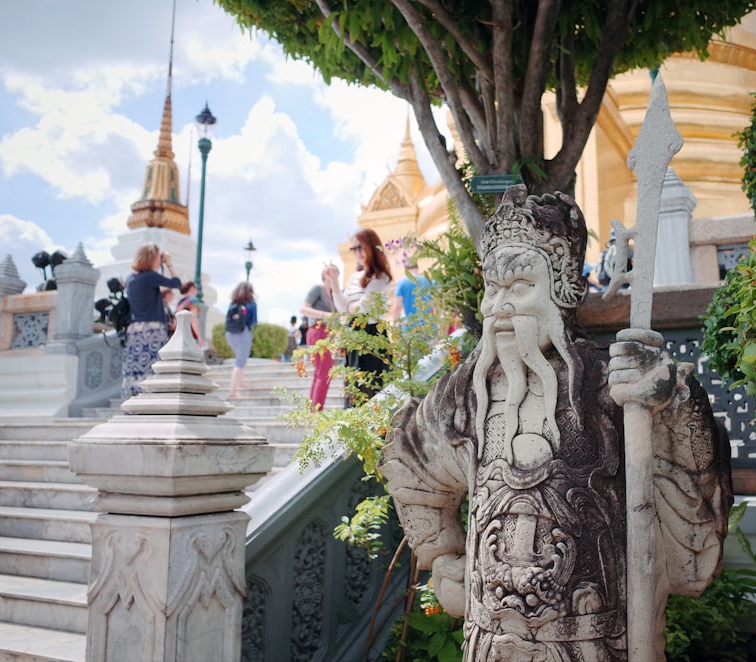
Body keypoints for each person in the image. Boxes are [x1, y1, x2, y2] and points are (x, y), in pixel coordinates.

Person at [378, 187, 732, 660]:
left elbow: (687, 486)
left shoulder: (612, 385)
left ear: (562, 288)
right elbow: (410, 463)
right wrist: (443, 556)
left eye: (521, 285)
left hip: (592, 639)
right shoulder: (464, 394)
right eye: (493, 288)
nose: (500, 306)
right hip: (490, 640)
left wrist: (667, 403)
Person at [324, 228, 393, 405]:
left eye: (360, 247)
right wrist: (334, 283)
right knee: (353, 389)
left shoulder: (381, 277)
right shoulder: (355, 277)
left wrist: (349, 307)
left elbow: (363, 308)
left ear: (371, 247)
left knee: (372, 391)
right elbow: (343, 308)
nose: (357, 253)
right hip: (353, 335)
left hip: (372, 335)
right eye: (354, 249)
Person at [121, 243, 182, 400]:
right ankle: (151, 400)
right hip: (153, 330)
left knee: (136, 366)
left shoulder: (131, 279)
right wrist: (168, 263)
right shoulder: (150, 277)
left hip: (134, 330)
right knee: (153, 366)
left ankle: (133, 399)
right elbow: (177, 283)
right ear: (152, 258)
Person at [300, 268, 336, 412]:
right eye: (334, 272)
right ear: (326, 274)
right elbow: (303, 308)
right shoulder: (317, 289)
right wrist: (324, 315)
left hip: (326, 334)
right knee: (324, 371)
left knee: (321, 371)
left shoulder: (332, 295)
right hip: (317, 330)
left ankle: (314, 408)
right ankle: (316, 409)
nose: (336, 275)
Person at [225, 281, 257, 399]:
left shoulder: (232, 303)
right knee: (240, 362)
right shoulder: (252, 304)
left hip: (229, 334)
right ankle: (231, 391)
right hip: (243, 333)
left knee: (240, 358)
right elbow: (253, 321)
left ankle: (240, 382)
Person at [175, 281, 205, 348]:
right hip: (189, 335)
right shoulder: (193, 300)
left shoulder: (180, 302)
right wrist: (199, 337)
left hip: (178, 334)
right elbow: (193, 319)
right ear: (192, 288)